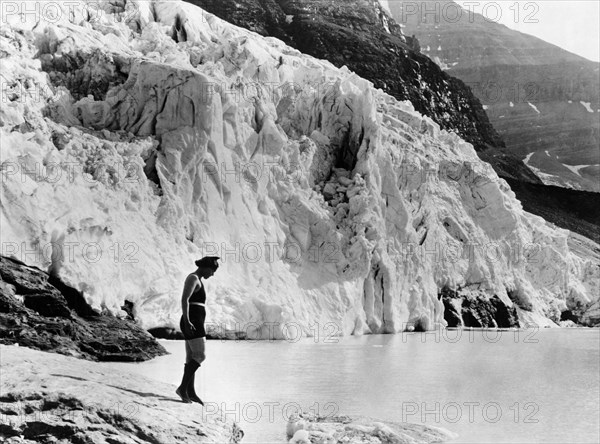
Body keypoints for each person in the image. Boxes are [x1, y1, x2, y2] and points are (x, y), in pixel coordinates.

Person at [176, 256, 220, 404]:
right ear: (206, 267)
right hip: (192, 322)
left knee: (191, 357)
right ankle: (182, 389)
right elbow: (184, 299)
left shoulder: (197, 279)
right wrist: (187, 321)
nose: (212, 274)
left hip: (195, 321)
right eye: (212, 270)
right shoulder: (193, 278)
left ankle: (190, 391)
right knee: (200, 355)